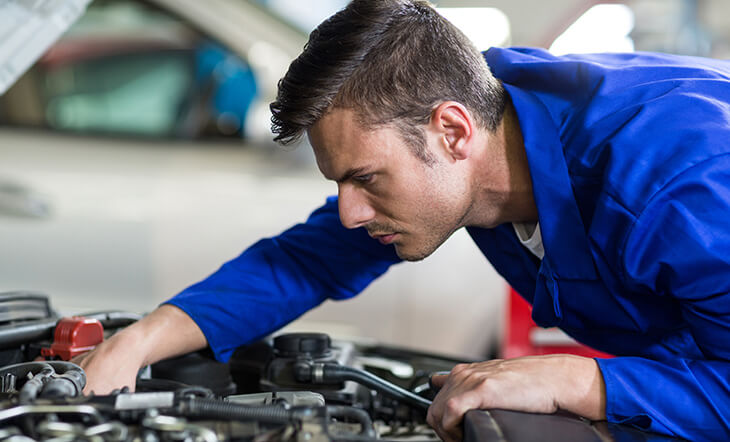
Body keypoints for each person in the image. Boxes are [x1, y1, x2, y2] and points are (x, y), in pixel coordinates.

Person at [74, 0, 730, 440]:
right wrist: (136, 343)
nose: (351, 214)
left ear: (451, 131)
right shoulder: (489, 116)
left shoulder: (676, 188)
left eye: (365, 179)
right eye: (339, 184)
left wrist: (581, 379)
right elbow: (306, 259)